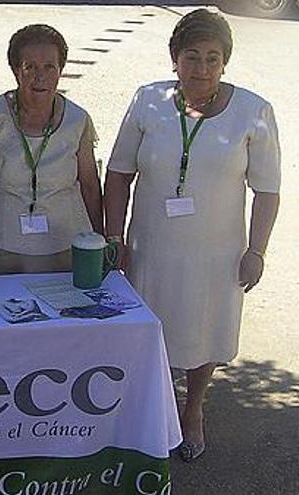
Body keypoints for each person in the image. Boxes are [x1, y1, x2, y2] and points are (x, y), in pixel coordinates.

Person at [104, 9, 280, 462]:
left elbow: (267, 189)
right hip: (151, 245)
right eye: (191, 57)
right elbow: (120, 172)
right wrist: (115, 234)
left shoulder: (253, 112)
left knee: (205, 330)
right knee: (148, 329)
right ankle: (147, 411)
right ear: (174, 58)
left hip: (216, 252)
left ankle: (194, 408)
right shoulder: (148, 101)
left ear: (225, 63)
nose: (201, 69)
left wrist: (256, 250)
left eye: (212, 59)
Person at [0, 24, 102, 275]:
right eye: (29, 67)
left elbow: (90, 185)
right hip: (0, 250)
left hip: (63, 250)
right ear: (15, 71)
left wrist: (100, 245)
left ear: (61, 71)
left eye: (49, 67)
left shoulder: (78, 120)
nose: (39, 76)